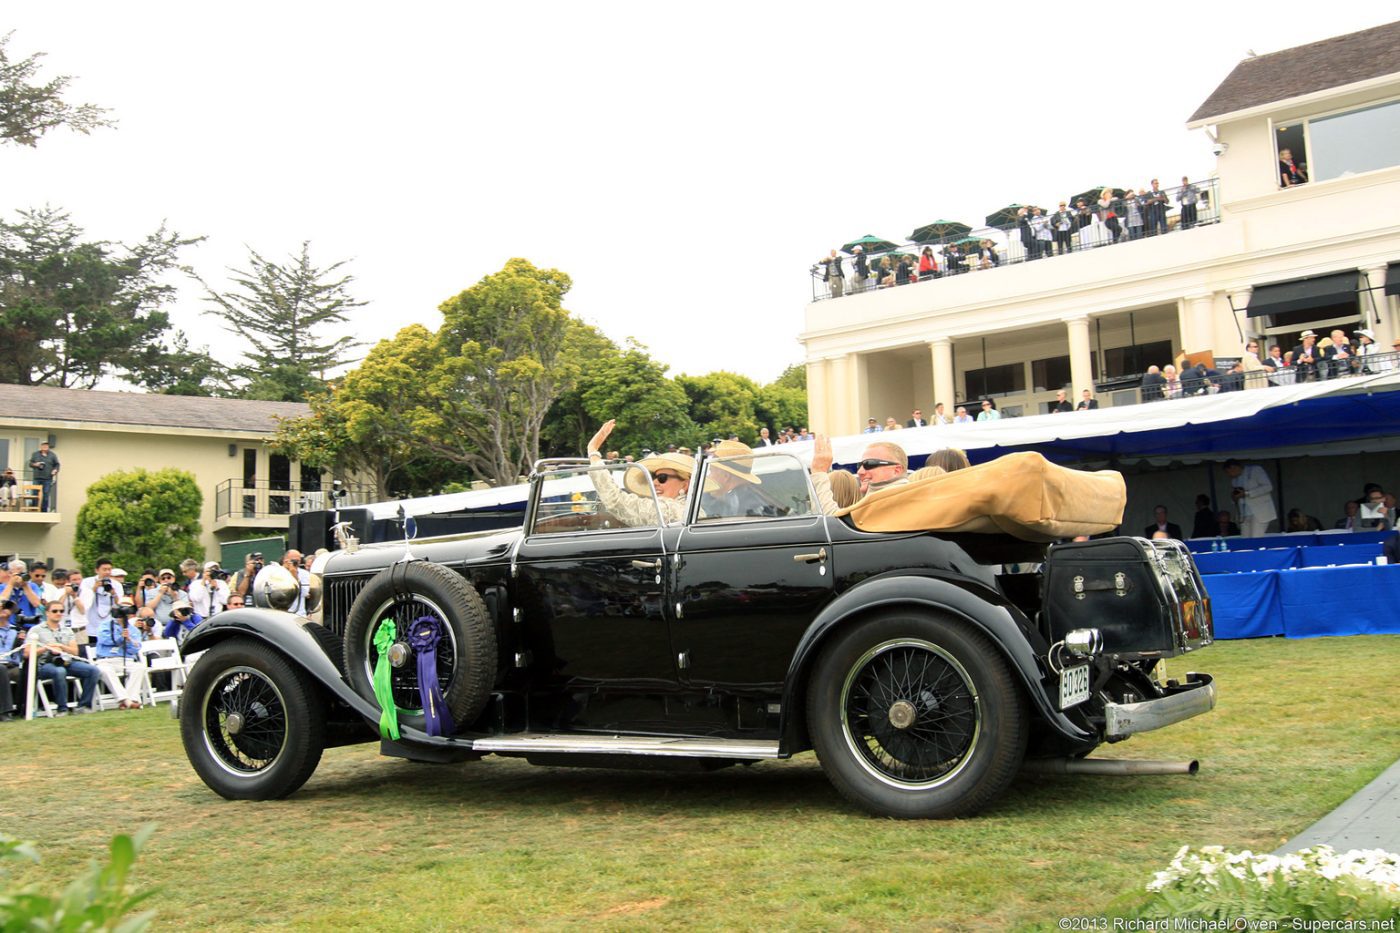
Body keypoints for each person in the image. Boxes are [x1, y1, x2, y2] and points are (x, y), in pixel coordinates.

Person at [586, 419, 692, 526]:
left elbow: (617, 502)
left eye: (662, 478)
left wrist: (593, 450)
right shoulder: (693, 509)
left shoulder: (669, 510)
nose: (655, 482)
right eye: (653, 476)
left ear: (685, 485)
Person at [26, 600, 100, 715]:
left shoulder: (67, 629)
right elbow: (27, 653)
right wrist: (46, 648)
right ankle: (62, 709)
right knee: (59, 671)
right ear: (47, 613)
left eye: (61, 611)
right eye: (55, 611)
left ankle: (83, 705)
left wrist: (61, 646)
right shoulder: (36, 630)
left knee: (93, 670)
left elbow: (75, 652)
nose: (58, 613)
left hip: (66, 661)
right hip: (45, 664)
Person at [93, 597, 149, 710]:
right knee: (106, 671)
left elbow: (135, 649)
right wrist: (120, 638)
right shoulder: (105, 625)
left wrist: (128, 640)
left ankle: (130, 700)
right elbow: (104, 640)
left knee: (140, 667)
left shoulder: (133, 630)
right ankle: (126, 700)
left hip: (126, 660)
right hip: (106, 659)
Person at [699, 439, 771, 519]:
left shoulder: (748, 510)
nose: (709, 477)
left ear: (726, 476)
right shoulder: (742, 496)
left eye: (711, 471)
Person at [1223, 459, 1276, 537]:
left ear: (1233, 467)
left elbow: (1268, 487)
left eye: (1228, 472)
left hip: (1259, 513)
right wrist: (1234, 498)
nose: (1229, 475)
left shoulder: (1255, 470)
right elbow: (1237, 498)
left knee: (1256, 538)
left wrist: (1247, 493)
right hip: (1244, 514)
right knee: (1245, 540)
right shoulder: (1234, 480)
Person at [77, 558, 123, 648]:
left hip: (108, 624)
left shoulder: (116, 584)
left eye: (109, 569)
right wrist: (94, 589)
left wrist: (113, 594)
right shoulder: (87, 582)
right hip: (90, 624)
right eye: (104, 569)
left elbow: (120, 604)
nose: (107, 572)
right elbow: (83, 601)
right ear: (97, 570)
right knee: (91, 650)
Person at [0, 605, 22, 720]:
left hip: (11, 665)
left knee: (25, 672)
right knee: (1, 670)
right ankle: (4, 711)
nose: (3, 609)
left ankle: (22, 709)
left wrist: (23, 641)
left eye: (5, 607)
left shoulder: (16, 630)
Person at [28, 440, 60, 512]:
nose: (45, 446)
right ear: (41, 446)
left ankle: (44, 510)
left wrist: (55, 470)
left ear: (48, 447)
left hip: (48, 478)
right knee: (34, 493)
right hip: (37, 477)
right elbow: (30, 463)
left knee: (46, 495)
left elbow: (57, 464)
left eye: (46, 445)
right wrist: (35, 464)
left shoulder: (52, 455)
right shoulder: (35, 454)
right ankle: (34, 509)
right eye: (43, 445)